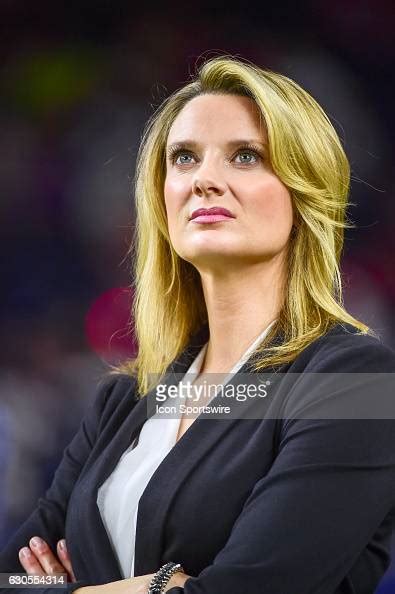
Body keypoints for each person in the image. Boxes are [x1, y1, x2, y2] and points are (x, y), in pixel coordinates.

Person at [1, 55, 395, 594]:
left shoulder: (353, 380)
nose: (205, 179)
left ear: (305, 191)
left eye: (246, 156)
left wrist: (71, 589)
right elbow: (11, 577)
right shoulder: (124, 396)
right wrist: (166, 585)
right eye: (184, 158)